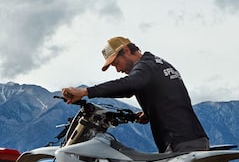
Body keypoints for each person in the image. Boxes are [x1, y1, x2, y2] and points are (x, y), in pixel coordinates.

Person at [61, 36, 208, 153]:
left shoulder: (144, 66)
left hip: (181, 143)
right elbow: (168, 95)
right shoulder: (158, 64)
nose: (118, 70)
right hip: (192, 138)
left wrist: (85, 91)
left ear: (126, 51)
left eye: (116, 63)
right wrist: (149, 112)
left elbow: (129, 84)